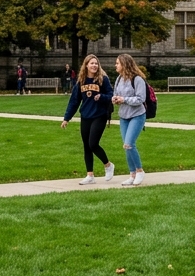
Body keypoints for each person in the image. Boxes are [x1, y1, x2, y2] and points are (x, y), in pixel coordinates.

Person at [60, 54, 116, 185]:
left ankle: (108, 165)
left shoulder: (103, 79)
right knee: (86, 146)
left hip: (100, 115)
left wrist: (101, 96)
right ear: (86, 65)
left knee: (93, 143)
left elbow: (111, 95)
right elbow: (74, 101)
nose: (94, 65)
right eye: (91, 63)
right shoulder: (81, 81)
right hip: (86, 116)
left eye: (96, 63)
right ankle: (90, 175)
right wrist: (66, 118)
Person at [112, 53, 151, 186]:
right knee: (126, 146)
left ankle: (140, 171)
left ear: (125, 64)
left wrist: (124, 99)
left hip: (137, 115)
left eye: (117, 63)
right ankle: (132, 174)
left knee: (129, 144)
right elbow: (116, 94)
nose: (115, 65)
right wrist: (115, 99)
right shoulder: (118, 79)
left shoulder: (137, 79)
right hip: (124, 116)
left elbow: (141, 99)